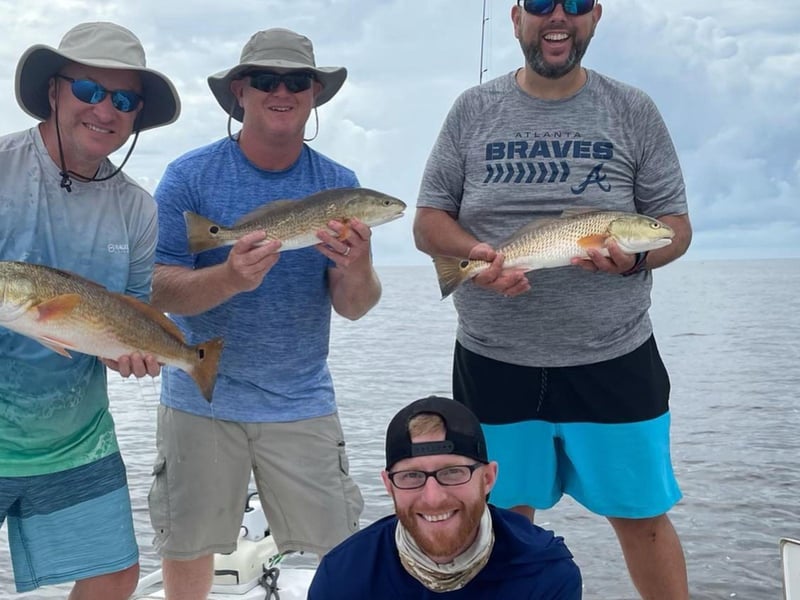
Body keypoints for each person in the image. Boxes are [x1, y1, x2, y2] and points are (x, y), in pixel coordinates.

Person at [413, 2, 693, 599]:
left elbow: (675, 227)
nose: (556, 16)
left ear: (596, 16)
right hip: (495, 359)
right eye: (540, 2)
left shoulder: (634, 109)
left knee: (642, 518)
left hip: (614, 357)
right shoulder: (472, 109)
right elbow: (429, 221)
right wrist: (477, 259)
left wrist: (638, 257)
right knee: (502, 523)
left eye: (574, 3)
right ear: (516, 18)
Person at [148, 27, 375, 599]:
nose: (283, 91)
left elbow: (354, 308)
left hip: (302, 399)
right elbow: (155, 286)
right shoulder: (189, 176)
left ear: (315, 94)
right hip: (200, 397)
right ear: (240, 92)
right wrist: (228, 276)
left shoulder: (338, 185)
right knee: (187, 543)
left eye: (297, 80)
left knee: (342, 551)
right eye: (267, 80)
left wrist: (357, 265)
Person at [0, 21, 180, 599]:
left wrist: (133, 355)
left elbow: (121, 319)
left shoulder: (138, 210)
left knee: (114, 574)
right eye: (89, 91)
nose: (106, 110)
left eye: (124, 99)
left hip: (76, 437)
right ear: (53, 90)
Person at [308, 395, 582, 598]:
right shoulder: (344, 577)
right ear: (389, 486)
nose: (433, 497)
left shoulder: (545, 574)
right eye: (412, 476)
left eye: (452, 472)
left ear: (488, 478)